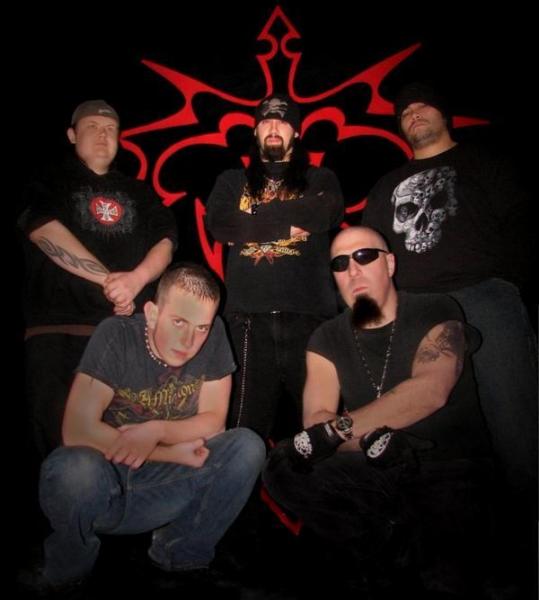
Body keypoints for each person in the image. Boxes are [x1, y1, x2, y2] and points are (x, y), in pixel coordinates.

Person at [263, 226, 496, 595]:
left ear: (389, 264)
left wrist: (342, 431)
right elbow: (316, 420)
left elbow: (431, 390)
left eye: (364, 256)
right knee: (283, 466)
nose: (353, 270)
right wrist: (370, 440)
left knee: (447, 581)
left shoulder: (436, 308)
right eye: (340, 263)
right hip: (372, 465)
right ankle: (381, 547)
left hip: (447, 466)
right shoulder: (326, 336)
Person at [30, 263, 265, 593]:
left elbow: (214, 421)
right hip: (103, 487)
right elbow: (77, 430)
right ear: (153, 314)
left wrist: (157, 431)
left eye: (201, 327)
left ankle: (180, 553)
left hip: (163, 490)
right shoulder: (118, 334)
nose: (189, 340)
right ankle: (69, 569)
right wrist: (168, 452)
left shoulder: (213, 336)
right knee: (74, 468)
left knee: (246, 446)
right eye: (179, 322)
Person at [361, 82, 537, 499]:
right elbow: (370, 251)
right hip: (417, 309)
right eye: (405, 111)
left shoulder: (485, 163)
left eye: (423, 106)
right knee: (433, 432)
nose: (414, 113)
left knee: (515, 420)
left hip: (485, 298)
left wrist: (507, 284)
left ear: (445, 115)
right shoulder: (387, 186)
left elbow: (522, 223)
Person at [20, 99, 178, 458]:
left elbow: (166, 241)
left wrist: (136, 280)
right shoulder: (48, 181)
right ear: (72, 135)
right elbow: (43, 230)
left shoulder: (140, 191)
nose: (102, 135)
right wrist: (112, 283)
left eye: (110, 129)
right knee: (65, 452)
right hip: (61, 332)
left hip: (127, 337)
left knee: (128, 449)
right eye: (91, 127)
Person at [206, 93, 343, 440]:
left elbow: (325, 212)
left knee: (322, 433)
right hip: (247, 318)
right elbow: (220, 225)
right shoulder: (231, 181)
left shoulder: (320, 178)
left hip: (311, 315)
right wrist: (294, 221)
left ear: (296, 132)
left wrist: (250, 220)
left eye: (282, 121)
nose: (273, 127)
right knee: (241, 433)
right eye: (266, 121)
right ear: (255, 131)